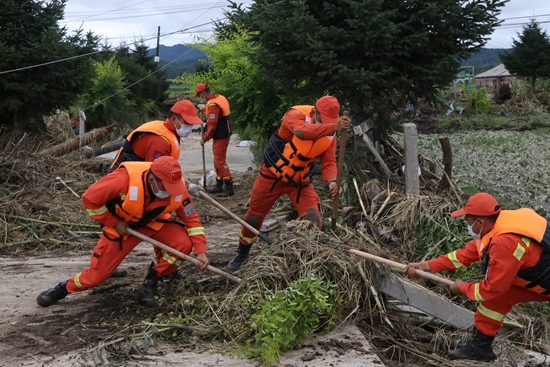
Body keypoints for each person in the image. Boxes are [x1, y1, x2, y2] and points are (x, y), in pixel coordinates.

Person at [36, 156, 210, 308]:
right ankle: (63, 289)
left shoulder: (175, 185)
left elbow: (192, 220)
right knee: (97, 277)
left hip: (154, 223)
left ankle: (153, 280)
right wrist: (113, 222)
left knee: (183, 243)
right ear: (152, 180)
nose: (170, 192)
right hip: (124, 227)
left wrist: (200, 252)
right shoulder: (122, 180)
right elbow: (89, 199)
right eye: (166, 187)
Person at [404, 193, 550, 361]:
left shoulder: (504, 242)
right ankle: (480, 348)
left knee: (495, 293)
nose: (468, 226)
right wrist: (426, 266)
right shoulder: (497, 227)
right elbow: (462, 255)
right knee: (496, 301)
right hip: (541, 281)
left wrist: (463, 288)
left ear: (480, 222)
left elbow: (492, 288)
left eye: (468, 222)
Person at [226, 95, 351, 271]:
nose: (328, 124)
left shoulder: (331, 136)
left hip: (300, 182)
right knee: (254, 218)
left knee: (314, 220)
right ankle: (242, 253)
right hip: (272, 176)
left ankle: (309, 262)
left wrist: (331, 181)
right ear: (315, 112)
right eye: (325, 120)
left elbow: (329, 162)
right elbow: (301, 132)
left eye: (332, 121)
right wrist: (331, 127)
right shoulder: (296, 114)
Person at [108, 99, 203, 173]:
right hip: (121, 180)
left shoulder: (166, 129)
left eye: (191, 124)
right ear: (173, 119)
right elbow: (155, 175)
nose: (189, 127)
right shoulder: (159, 141)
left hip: (137, 173)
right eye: (187, 123)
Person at [195, 83, 234, 197]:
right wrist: (204, 107)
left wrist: (205, 138)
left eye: (200, 95)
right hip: (223, 133)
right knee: (217, 161)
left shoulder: (213, 105)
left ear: (203, 93)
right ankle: (219, 183)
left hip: (221, 135)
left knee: (220, 161)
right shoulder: (219, 98)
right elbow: (214, 109)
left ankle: (228, 186)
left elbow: (212, 126)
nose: (201, 97)